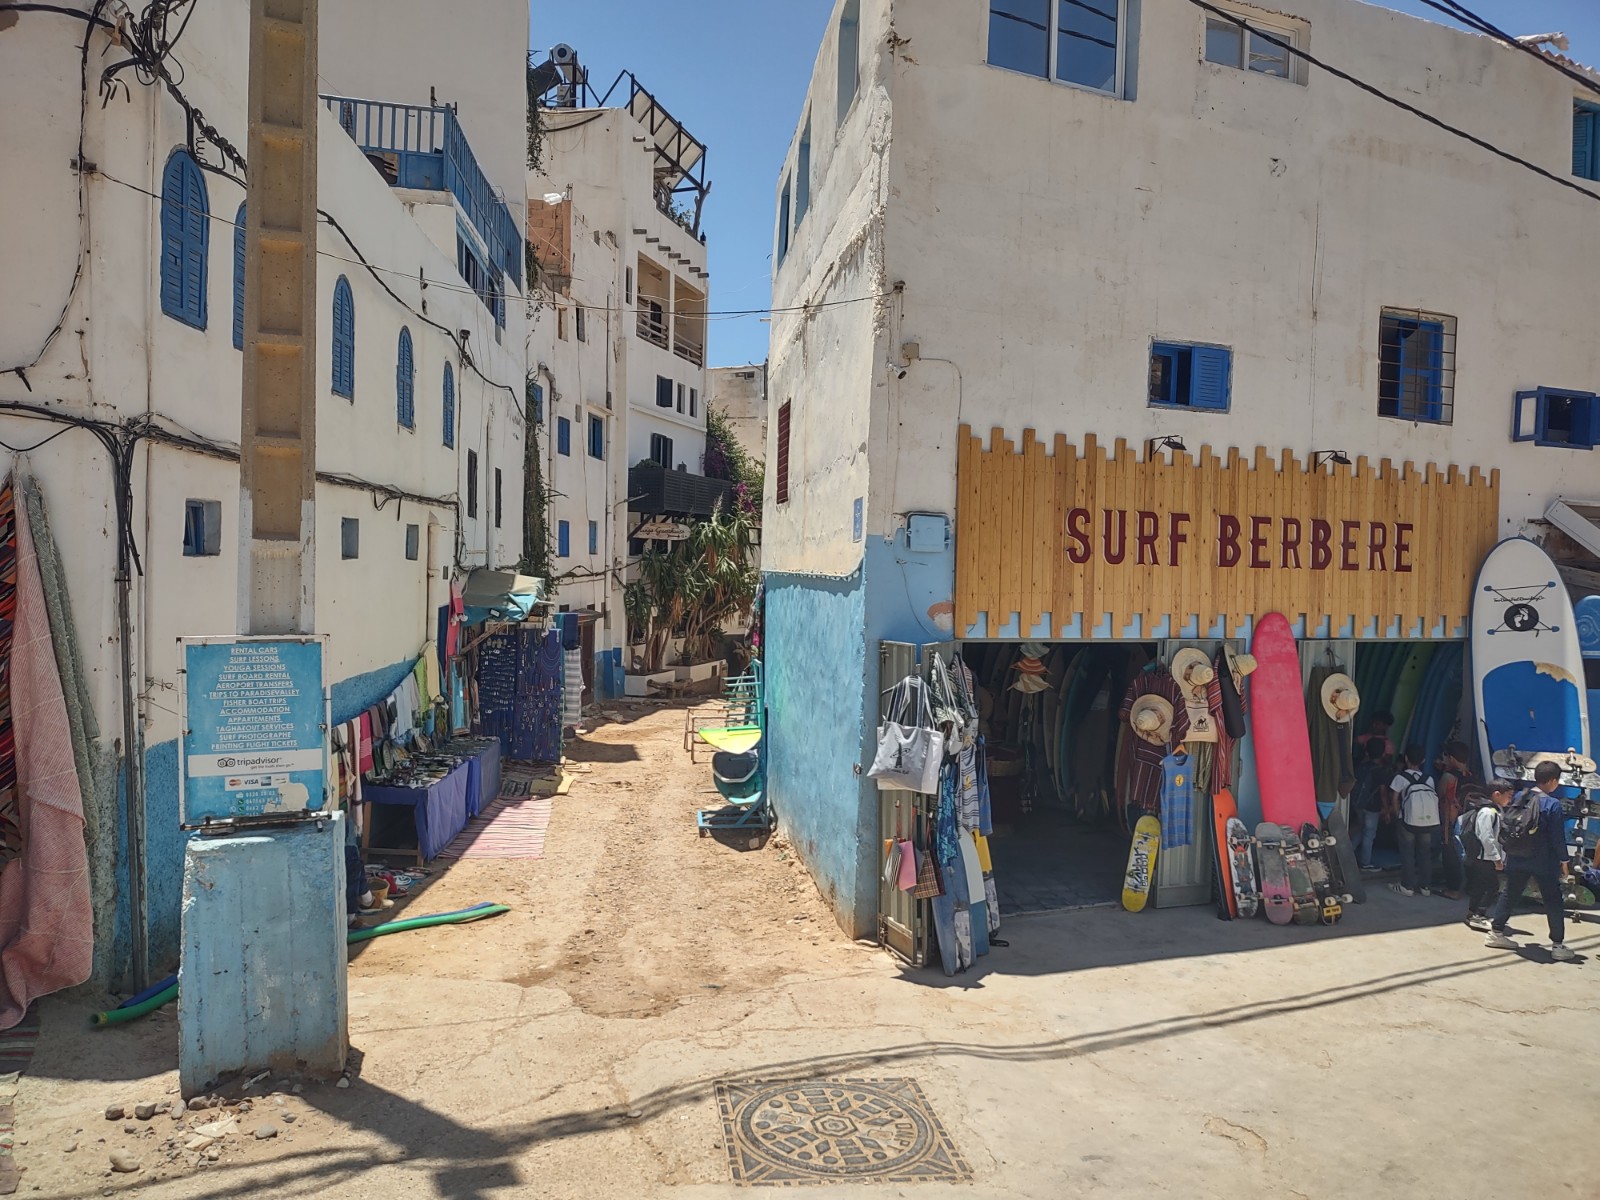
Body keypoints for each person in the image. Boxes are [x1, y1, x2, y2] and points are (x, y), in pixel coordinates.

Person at [1485, 762, 1576, 960]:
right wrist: (1564, 860)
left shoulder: (1520, 796)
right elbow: (1557, 837)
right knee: (1553, 900)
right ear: (1552, 781)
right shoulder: (1552, 804)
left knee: (1510, 893)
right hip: (1544, 861)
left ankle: (1496, 933)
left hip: (1517, 856)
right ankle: (1558, 945)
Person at [1388, 744, 1441, 897]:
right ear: (1423, 760)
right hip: (1427, 821)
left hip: (1407, 820)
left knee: (1407, 852)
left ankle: (1407, 886)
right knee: (1425, 853)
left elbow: (1394, 798)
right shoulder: (1429, 779)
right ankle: (1425, 887)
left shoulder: (1400, 777)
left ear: (1406, 759)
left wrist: (1397, 815)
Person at [1459, 780, 1511, 931]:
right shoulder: (1488, 812)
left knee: (1482, 886)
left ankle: (1474, 914)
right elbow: (1486, 836)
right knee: (1490, 887)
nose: (1510, 799)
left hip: (1486, 857)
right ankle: (1476, 914)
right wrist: (1496, 858)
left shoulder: (1494, 810)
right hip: (1484, 857)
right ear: (1497, 794)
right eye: (1508, 796)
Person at [1434, 741, 1479, 899]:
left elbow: (1440, 795)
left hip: (1451, 820)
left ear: (1452, 758)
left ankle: (1453, 890)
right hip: (1470, 821)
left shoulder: (1449, 777)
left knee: (1450, 853)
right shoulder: (1473, 776)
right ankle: (1469, 886)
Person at [1350, 737, 1389, 872]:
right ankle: (1365, 863)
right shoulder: (1380, 771)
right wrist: (1386, 809)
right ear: (1383, 753)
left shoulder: (1360, 767)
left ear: (1367, 752)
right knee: (1369, 834)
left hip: (1358, 804)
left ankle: (1347, 854)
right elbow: (1383, 792)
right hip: (1372, 807)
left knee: (1360, 828)